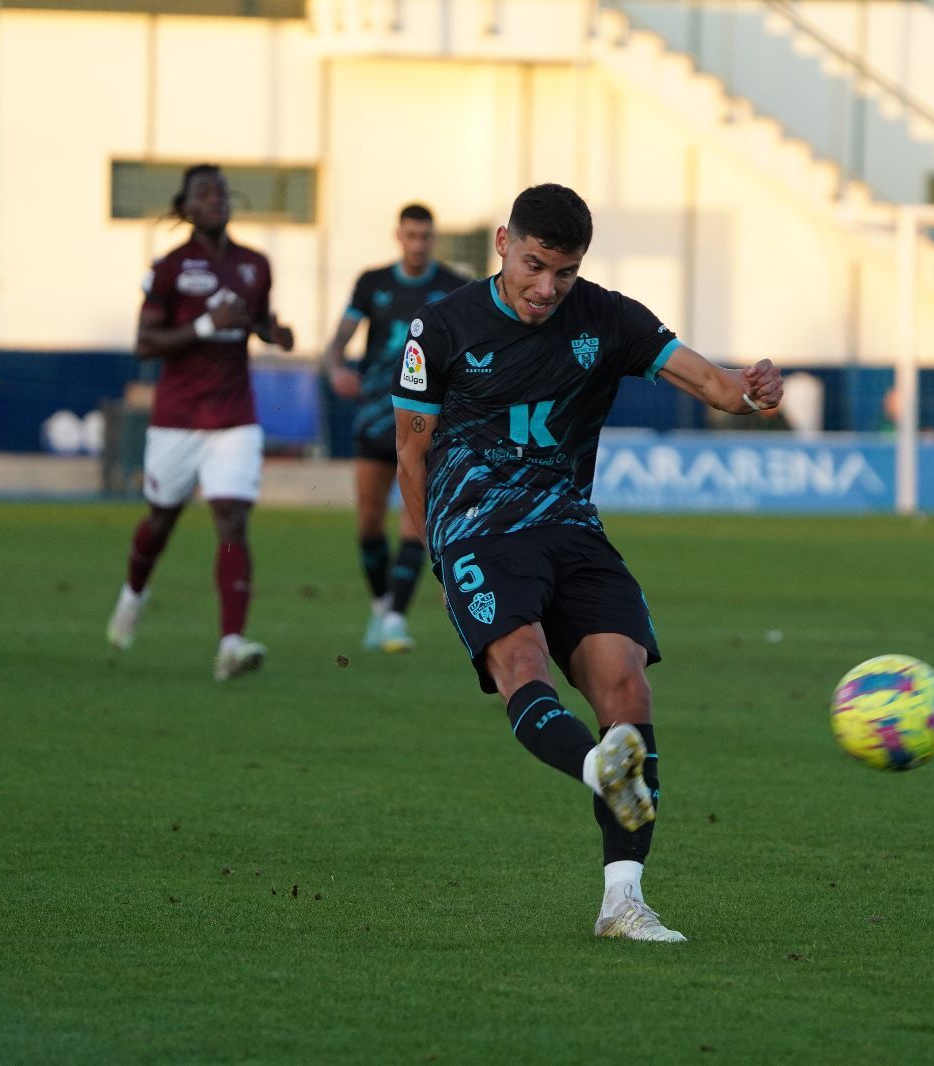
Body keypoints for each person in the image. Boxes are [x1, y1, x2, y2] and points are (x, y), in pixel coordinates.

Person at [392, 184, 784, 942]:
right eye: (535, 265)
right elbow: (412, 447)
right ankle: (594, 768)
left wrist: (754, 392)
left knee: (627, 691)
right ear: (504, 242)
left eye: (564, 273)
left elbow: (716, 387)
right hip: (477, 531)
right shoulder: (442, 327)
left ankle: (623, 902)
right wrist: (437, 549)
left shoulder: (606, 317)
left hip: (570, 527)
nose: (547, 288)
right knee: (523, 663)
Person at [105, 164, 295, 680]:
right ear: (186, 206)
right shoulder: (169, 267)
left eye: (221, 191)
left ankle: (231, 643)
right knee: (160, 521)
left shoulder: (255, 264)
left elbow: (254, 322)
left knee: (232, 520)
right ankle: (133, 593)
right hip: (178, 419)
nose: (216, 199)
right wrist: (209, 323)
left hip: (234, 416)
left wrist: (272, 333)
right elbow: (145, 343)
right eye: (203, 193)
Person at [322, 204, 469, 653]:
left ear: (433, 238)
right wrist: (334, 368)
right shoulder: (373, 283)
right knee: (368, 519)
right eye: (411, 235)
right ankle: (381, 607)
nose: (418, 244)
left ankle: (394, 619)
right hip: (374, 415)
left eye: (425, 236)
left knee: (414, 517)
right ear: (398, 236)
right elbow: (338, 342)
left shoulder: (453, 286)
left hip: (425, 419)